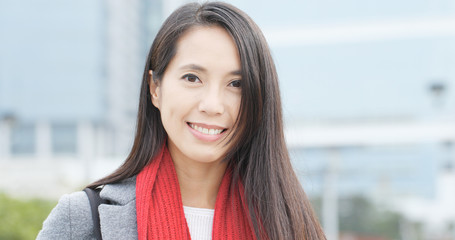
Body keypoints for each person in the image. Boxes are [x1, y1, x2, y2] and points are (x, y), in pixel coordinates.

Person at [37, 2, 326, 240]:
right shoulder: (84, 220)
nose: (212, 105)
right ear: (155, 88)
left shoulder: (290, 226)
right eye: (192, 78)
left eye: (237, 84)